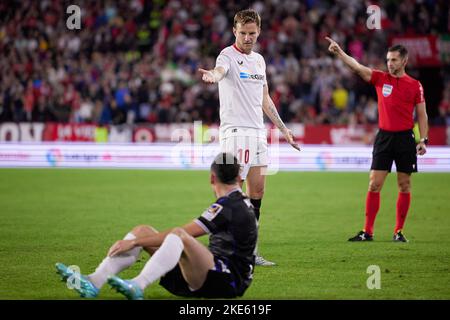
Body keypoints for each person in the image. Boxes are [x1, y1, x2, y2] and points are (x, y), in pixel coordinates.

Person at [55, 152, 258, 299]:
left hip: (227, 281)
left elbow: (185, 234)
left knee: (178, 234)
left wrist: (134, 243)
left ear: (212, 178)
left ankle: (138, 285)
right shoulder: (239, 201)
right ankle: (94, 281)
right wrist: (138, 240)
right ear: (239, 177)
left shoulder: (228, 206)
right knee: (143, 230)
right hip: (212, 272)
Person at [198, 9, 300, 266]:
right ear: (234, 31)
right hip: (235, 132)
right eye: (242, 33)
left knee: (258, 191)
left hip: (257, 132)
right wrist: (214, 75)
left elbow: (265, 99)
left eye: (252, 33)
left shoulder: (259, 61)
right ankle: (224, 248)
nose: (247, 38)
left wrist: (284, 129)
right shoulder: (227, 55)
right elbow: (221, 70)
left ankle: (250, 251)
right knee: (233, 192)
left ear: (259, 32)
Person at [325, 37, 429, 242]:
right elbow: (357, 67)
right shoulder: (380, 78)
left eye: (394, 60)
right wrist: (340, 53)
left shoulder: (415, 86)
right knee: (374, 184)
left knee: (404, 185)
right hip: (384, 137)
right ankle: (368, 232)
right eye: (388, 60)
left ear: (404, 61)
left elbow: (422, 114)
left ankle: (398, 231)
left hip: (405, 139)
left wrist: (423, 139)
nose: (390, 63)